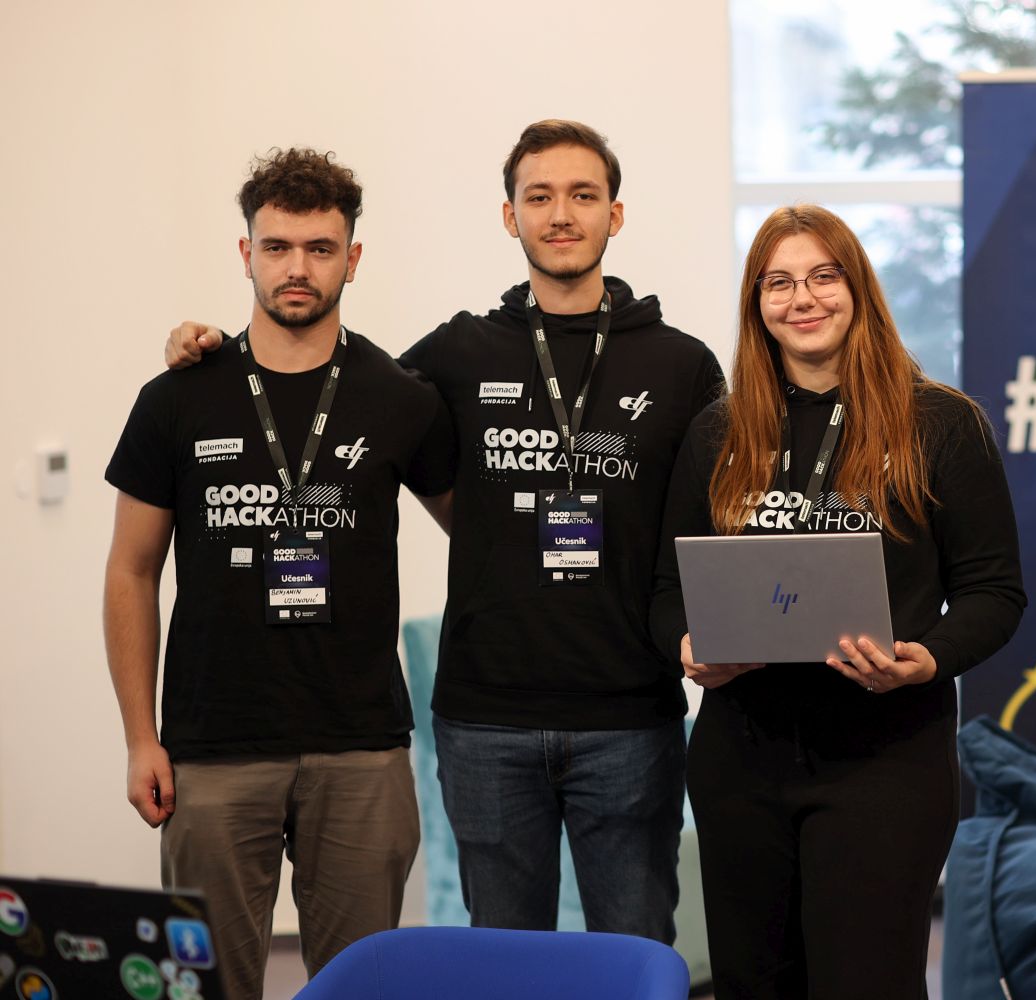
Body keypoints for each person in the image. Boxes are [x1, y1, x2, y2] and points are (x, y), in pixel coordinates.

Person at [163, 121, 724, 943]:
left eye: (582, 195)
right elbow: (327, 383)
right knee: (501, 961)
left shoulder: (682, 365)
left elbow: (708, 526)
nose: (560, 214)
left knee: (635, 953)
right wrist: (207, 349)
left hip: (632, 716)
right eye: (539, 196)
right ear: (509, 216)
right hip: (485, 720)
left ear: (615, 213)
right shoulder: (458, 353)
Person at [649, 204, 1026, 998]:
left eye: (824, 276)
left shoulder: (941, 423)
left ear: (858, 289)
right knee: (753, 986)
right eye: (779, 282)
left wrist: (928, 660)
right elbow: (667, 588)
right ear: (757, 302)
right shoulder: (718, 432)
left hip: (885, 762)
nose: (803, 298)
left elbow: (994, 592)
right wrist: (687, 648)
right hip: (740, 760)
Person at [105, 148, 455, 1000]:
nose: (298, 268)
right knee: (212, 987)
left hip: (361, 749)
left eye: (320, 248)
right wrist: (141, 737)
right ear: (247, 253)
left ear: (352, 258)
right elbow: (130, 572)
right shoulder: (177, 397)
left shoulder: (400, 397)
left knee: (358, 989)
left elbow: (480, 540)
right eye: (278, 247)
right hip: (213, 748)